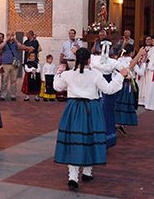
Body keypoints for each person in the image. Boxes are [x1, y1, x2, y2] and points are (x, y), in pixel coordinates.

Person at [53, 48, 128, 190]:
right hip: (91, 108)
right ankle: (87, 172)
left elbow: (57, 86)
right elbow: (109, 89)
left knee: (74, 140)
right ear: (89, 60)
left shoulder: (68, 74)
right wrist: (120, 76)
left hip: (73, 109)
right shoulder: (95, 75)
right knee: (90, 139)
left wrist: (59, 72)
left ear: (76, 60)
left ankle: (73, 177)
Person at [115, 44, 146, 136]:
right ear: (132, 52)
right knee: (126, 104)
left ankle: (117, 122)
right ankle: (119, 123)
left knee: (118, 104)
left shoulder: (119, 60)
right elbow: (140, 72)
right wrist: (143, 63)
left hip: (118, 83)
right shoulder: (131, 61)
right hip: (127, 85)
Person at [0, 31, 34, 101]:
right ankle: (3, 95)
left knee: (13, 80)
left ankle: (13, 95)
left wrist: (15, 40)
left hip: (14, 64)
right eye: (9, 35)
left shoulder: (15, 43)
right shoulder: (4, 43)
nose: (10, 36)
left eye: (11, 35)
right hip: (6, 64)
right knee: (4, 80)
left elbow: (20, 47)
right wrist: (6, 40)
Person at [137, 35, 152, 106]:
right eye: (146, 39)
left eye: (149, 39)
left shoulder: (152, 49)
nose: (147, 41)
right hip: (141, 67)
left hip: (147, 69)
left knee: (145, 84)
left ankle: (145, 99)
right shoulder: (143, 48)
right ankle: (139, 100)